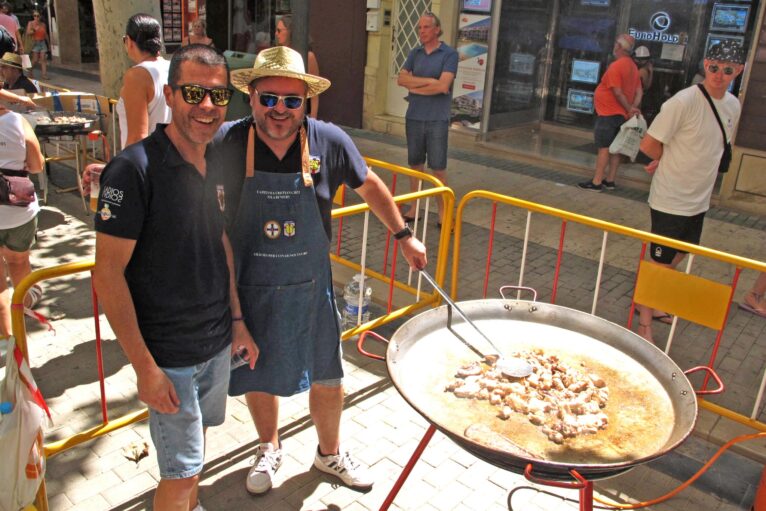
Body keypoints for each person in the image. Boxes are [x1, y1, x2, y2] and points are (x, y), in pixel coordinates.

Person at [214, 45, 427, 495]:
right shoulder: (228, 141)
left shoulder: (329, 140)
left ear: (305, 103)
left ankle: (328, 453)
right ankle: (268, 448)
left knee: (329, 376)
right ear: (250, 97)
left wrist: (404, 236)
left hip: (313, 288)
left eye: (292, 101)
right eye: (268, 98)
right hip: (250, 288)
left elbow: (368, 184)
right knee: (257, 372)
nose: (279, 110)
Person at [92, 44, 258, 511]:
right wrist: (145, 367)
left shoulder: (218, 161)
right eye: (193, 92)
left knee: (196, 458)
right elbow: (107, 275)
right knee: (181, 473)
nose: (207, 106)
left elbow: (219, 243)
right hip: (169, 356)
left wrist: (238, 320)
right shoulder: (133, 169)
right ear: (169, 94)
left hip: (215, 345)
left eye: (218, 95)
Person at [636, 40, 745, 344]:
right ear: (705, 64)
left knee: (682, 254)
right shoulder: (683, 102)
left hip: (699, 199)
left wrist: (666, 156)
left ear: (738, 70)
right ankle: (645, 324)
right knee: (659, 263)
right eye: (713, 67)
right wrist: (664, 159)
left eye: (727, 70)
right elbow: (649, 143)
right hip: (670, 198)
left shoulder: (733, 105)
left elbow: (709, 145)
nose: (719, 75)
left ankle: (651, 299)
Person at [397, 11, 458, 227]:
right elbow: (401, 79)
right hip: (414, 116)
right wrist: (428, 83)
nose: (421, 31)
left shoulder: (449, 54)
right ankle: (415, 207)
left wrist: (416, 85)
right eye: (419, 27)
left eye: (425, 27)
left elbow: (443, 86)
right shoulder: (415, 53)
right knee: (415, 164)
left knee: (438, 168)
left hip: (437, 119)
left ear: (437, 29)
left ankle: (444, 212)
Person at [0, 103, 45, 341]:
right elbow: (37, 165)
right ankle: (25, 304)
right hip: (17, 209)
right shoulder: (18, 121)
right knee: (18, 263)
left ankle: (10, 343)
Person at [578, 34, 642, 192]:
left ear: (619, 47)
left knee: (604, 147)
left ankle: (597, 181)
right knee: (616, 148)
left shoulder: (617, 66)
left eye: (615, 44)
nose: (614, 47)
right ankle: (610, 180)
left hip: (609, 112)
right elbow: (639, 92)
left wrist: (629, 108)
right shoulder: (633, 67)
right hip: (621, 115)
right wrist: (632, 108)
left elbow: (617, 92)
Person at [116, 13, 172, 150]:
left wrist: (122, 169)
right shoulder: (174, 67)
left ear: (129, 41)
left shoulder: (137, 76)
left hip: (146, 164)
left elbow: (137, 137)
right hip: (173, 159)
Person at [274, 15, 321, 118]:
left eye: (279, 30)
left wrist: (313, 120)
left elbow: (315, 93)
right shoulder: (278, 54)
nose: (276, 34)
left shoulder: (308, 57)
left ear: (290, 32)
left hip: (299, 110)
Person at [25, 11, 48, 80]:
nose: (36, 17)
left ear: (40, 16)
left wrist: (49, 43)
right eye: (35, 16)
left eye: (38, 16)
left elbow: (46, 34)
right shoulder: (31, 23)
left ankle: (44, 75)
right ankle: (30, 71)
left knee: (43, 59)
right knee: (35, 59)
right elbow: (28, 33)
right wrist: (35, 29)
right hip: (35, 43)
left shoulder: (43, 24)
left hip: (42, 42)